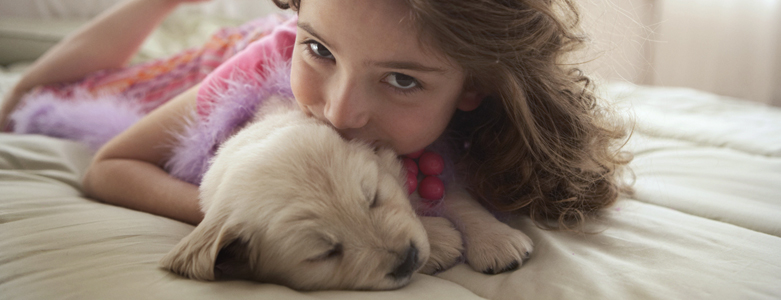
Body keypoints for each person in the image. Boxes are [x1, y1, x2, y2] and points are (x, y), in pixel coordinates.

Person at [1, 0, 630, 238]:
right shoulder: (267, 64)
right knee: (66, 95)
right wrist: (243, 218)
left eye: (402, 79)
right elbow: (112, 165)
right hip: (224, 60)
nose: (338, 111)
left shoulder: (485, 97)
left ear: (475, 90)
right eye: (321, 52)